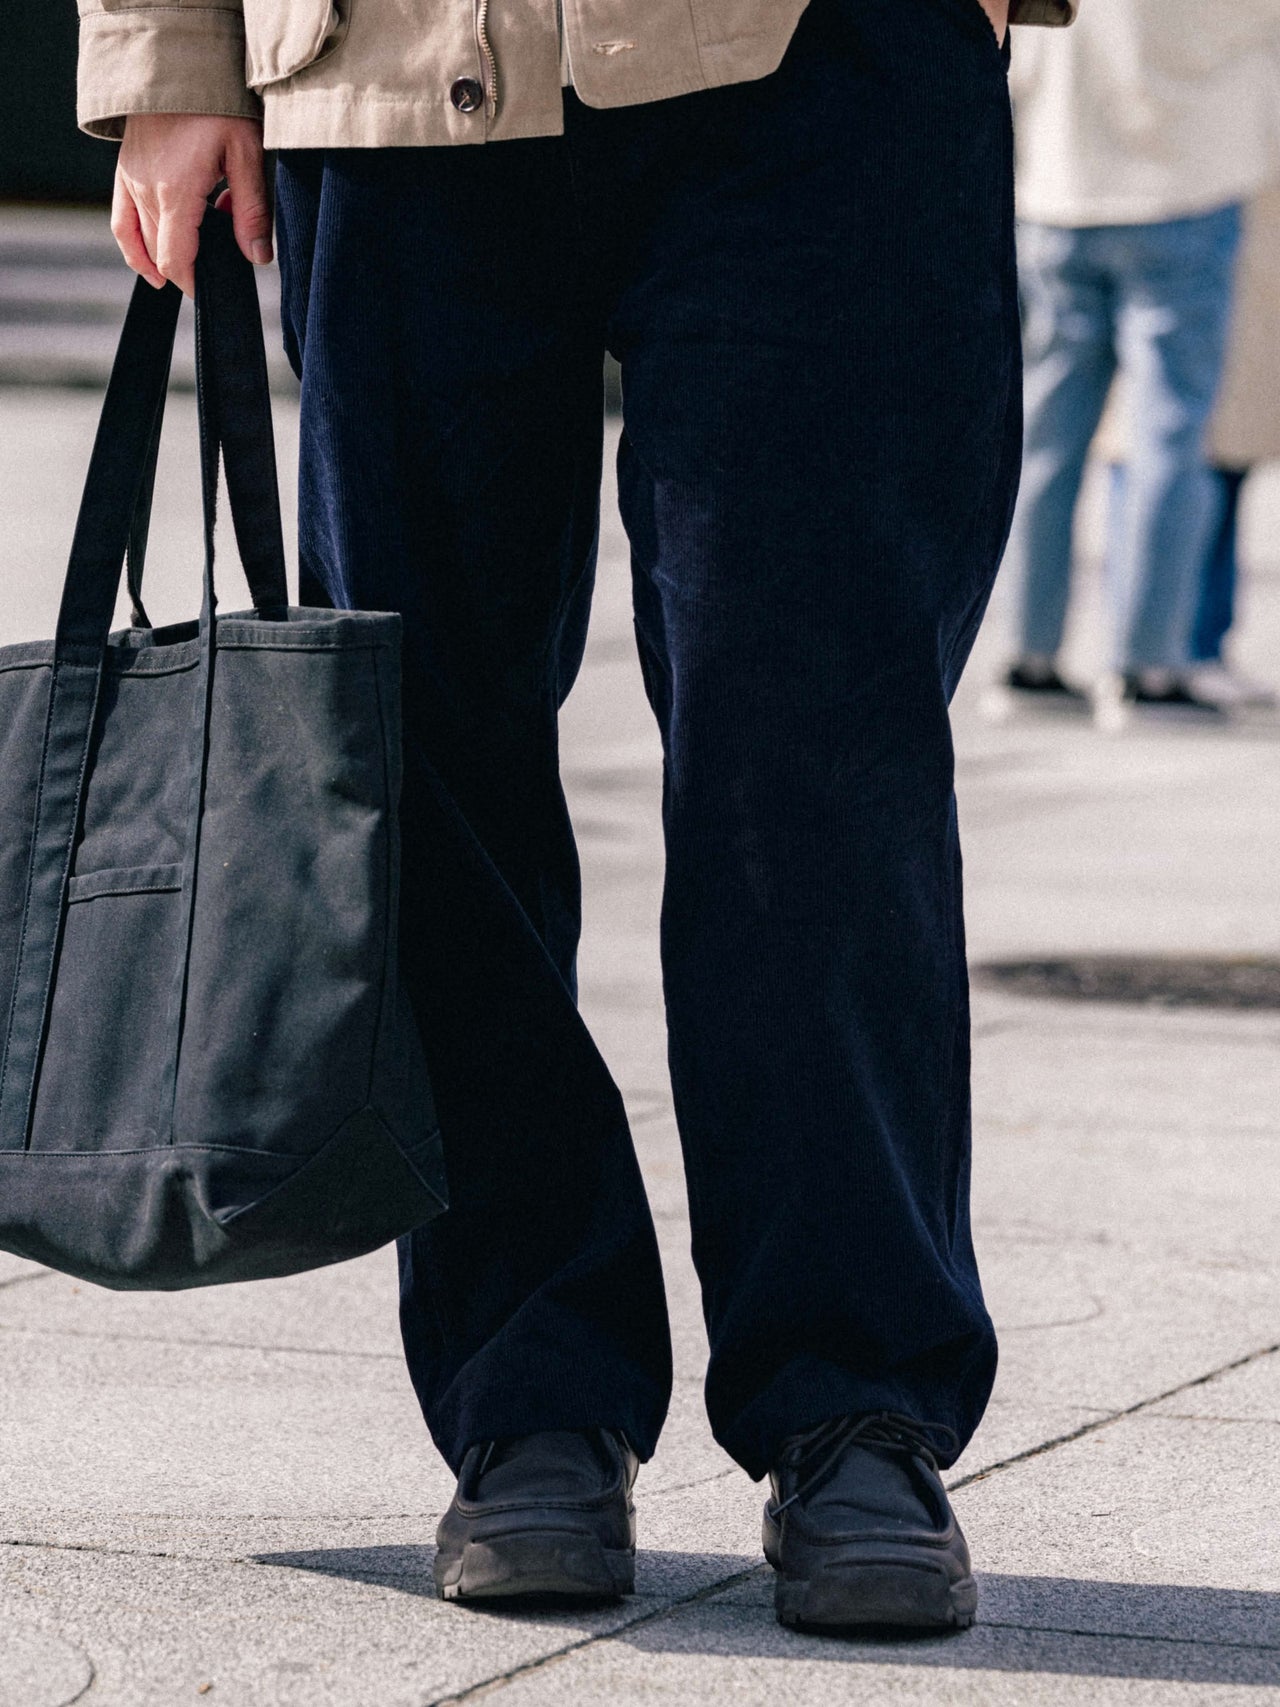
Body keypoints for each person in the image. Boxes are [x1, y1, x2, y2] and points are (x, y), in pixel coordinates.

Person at [76, 0, 1071, 1633]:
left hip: (831, 68)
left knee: (814, 748)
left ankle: (856, 1403)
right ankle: (530, 1388)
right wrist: (171, 66)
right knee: (426, 752)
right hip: (395, 77)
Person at [994, 0, 1280, 728]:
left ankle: (1029, 661)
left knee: (1046, 444)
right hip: (1181, 188)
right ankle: (1147, 670)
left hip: (1057, 186)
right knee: (1167, 437)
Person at [1104, 189, 1280, 710]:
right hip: (1199, 224)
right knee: (1188, 455)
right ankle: (1173, 657)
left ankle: (1051, 659)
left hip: (1081, 207)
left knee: (1162, 452)